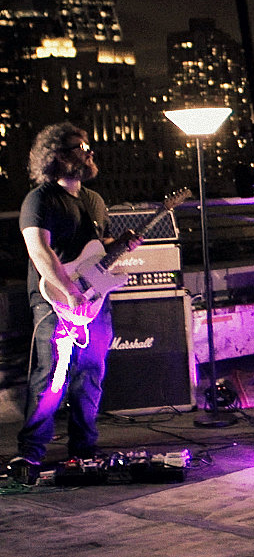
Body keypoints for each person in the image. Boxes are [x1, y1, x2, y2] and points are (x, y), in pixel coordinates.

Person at [9, 123, 141, 484]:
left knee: (91, 377)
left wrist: (120, 245)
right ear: (58, 156)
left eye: (88, 146)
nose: (89, 151)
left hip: (94, 304)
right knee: (51, 379)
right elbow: (39, 249)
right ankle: (31, 453)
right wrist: (69, 291)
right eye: (80, 146)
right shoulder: (40, 199)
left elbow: (94, 252)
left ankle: (84, 451)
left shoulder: (95, 200)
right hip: (55, 304)